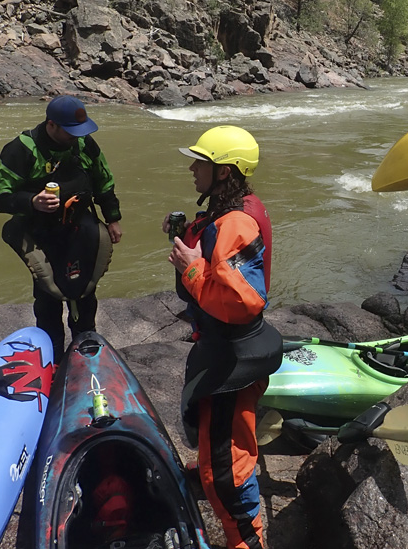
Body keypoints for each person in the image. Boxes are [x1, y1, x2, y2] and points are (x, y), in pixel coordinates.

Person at [166, 125, 282, 549]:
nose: (193, 168)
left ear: (224, 172)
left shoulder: (236, 221)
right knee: (217, 438)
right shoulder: (230, 208)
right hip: (224, 345)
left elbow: (242, 300)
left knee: (227, 466)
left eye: (201, 163)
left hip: (234, 354)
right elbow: (219, 255)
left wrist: (191, 270)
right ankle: (211, 472)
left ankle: (246, 541)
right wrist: (187, 237)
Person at [0, 95, 122, 362]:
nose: (76, 137)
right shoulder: (22, 149)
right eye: (71, 131)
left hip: (78, 229)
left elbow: (103, 181)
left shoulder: (83, 143)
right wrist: (31, 201)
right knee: (48, 297)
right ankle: (53, 357)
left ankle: (86, 350)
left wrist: (113, 218)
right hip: (41, 233)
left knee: (85, 293)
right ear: (51, 125)